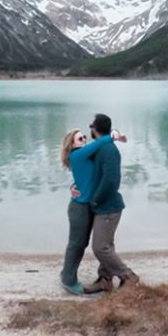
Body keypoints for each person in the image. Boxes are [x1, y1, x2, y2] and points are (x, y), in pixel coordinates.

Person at [59, 126, 126, 295]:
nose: (85, 141)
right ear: (72, 144)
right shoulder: (77, 155)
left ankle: (101, 278)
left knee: (88, 243)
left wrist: (74, 186)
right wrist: (113, 136)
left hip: (89, 206)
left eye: (85, 138)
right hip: (79, 208)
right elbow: (100, 142)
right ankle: (68, 280)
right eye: (80, 139)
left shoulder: (87, 156)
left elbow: (91, 177)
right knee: (77, 244)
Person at [83, 113, 139, 293]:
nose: (89, 129)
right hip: (104, 206)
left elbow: (111, 180)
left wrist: (96, 200)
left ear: (95, 129)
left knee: (100, 248)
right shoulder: (103, 146)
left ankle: (128, 276)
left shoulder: (108, 150)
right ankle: (105, 279)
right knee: (107, 245)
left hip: (108, 207)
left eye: (91, 126)